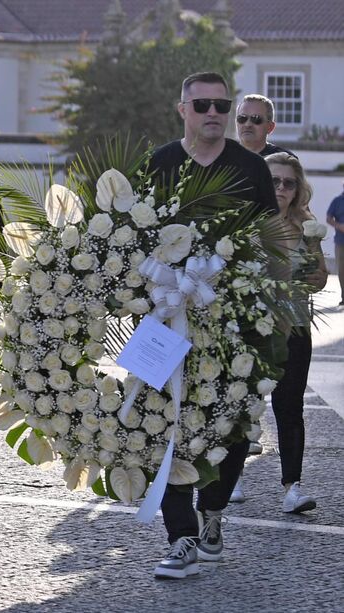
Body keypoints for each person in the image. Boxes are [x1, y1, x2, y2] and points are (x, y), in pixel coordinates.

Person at [148, 72, 279, 580]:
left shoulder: (250, 168)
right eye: (201, 103)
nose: (213, 113)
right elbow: (134, 234)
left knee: (234, 423)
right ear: (182, 108)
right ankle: (180, 538)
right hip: (165, 317)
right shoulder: (160, 163)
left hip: (234, 321)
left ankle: (214, 509)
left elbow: (271, 240)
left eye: (221, 105)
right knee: (161, 426)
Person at [229, 93, 293, 502]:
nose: (247, 124)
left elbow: (292, 213)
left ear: (270, 126)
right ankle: (229, 452)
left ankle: (246, 434)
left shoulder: (279, 166)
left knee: (261, 368)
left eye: (256, 119)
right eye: (242, 118)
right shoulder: (223, 158)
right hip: (224, 275)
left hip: (267, 278)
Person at [265, 152, 327, 513]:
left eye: (289, 182)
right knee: (242, 404)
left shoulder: (307, 225)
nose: (281, 188)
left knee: (289, 408)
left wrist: (314, 279)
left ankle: (293, 486)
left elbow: (318, 277)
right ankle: (231, 478)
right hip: (253, 327)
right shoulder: (248, 221)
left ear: (298, 187)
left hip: (296, 327)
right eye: (274, 180)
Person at [326, 182, 344, 305]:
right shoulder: (337, 201)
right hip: (340, 241)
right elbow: (328, 218)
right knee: (342, 270)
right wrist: (339, 226)